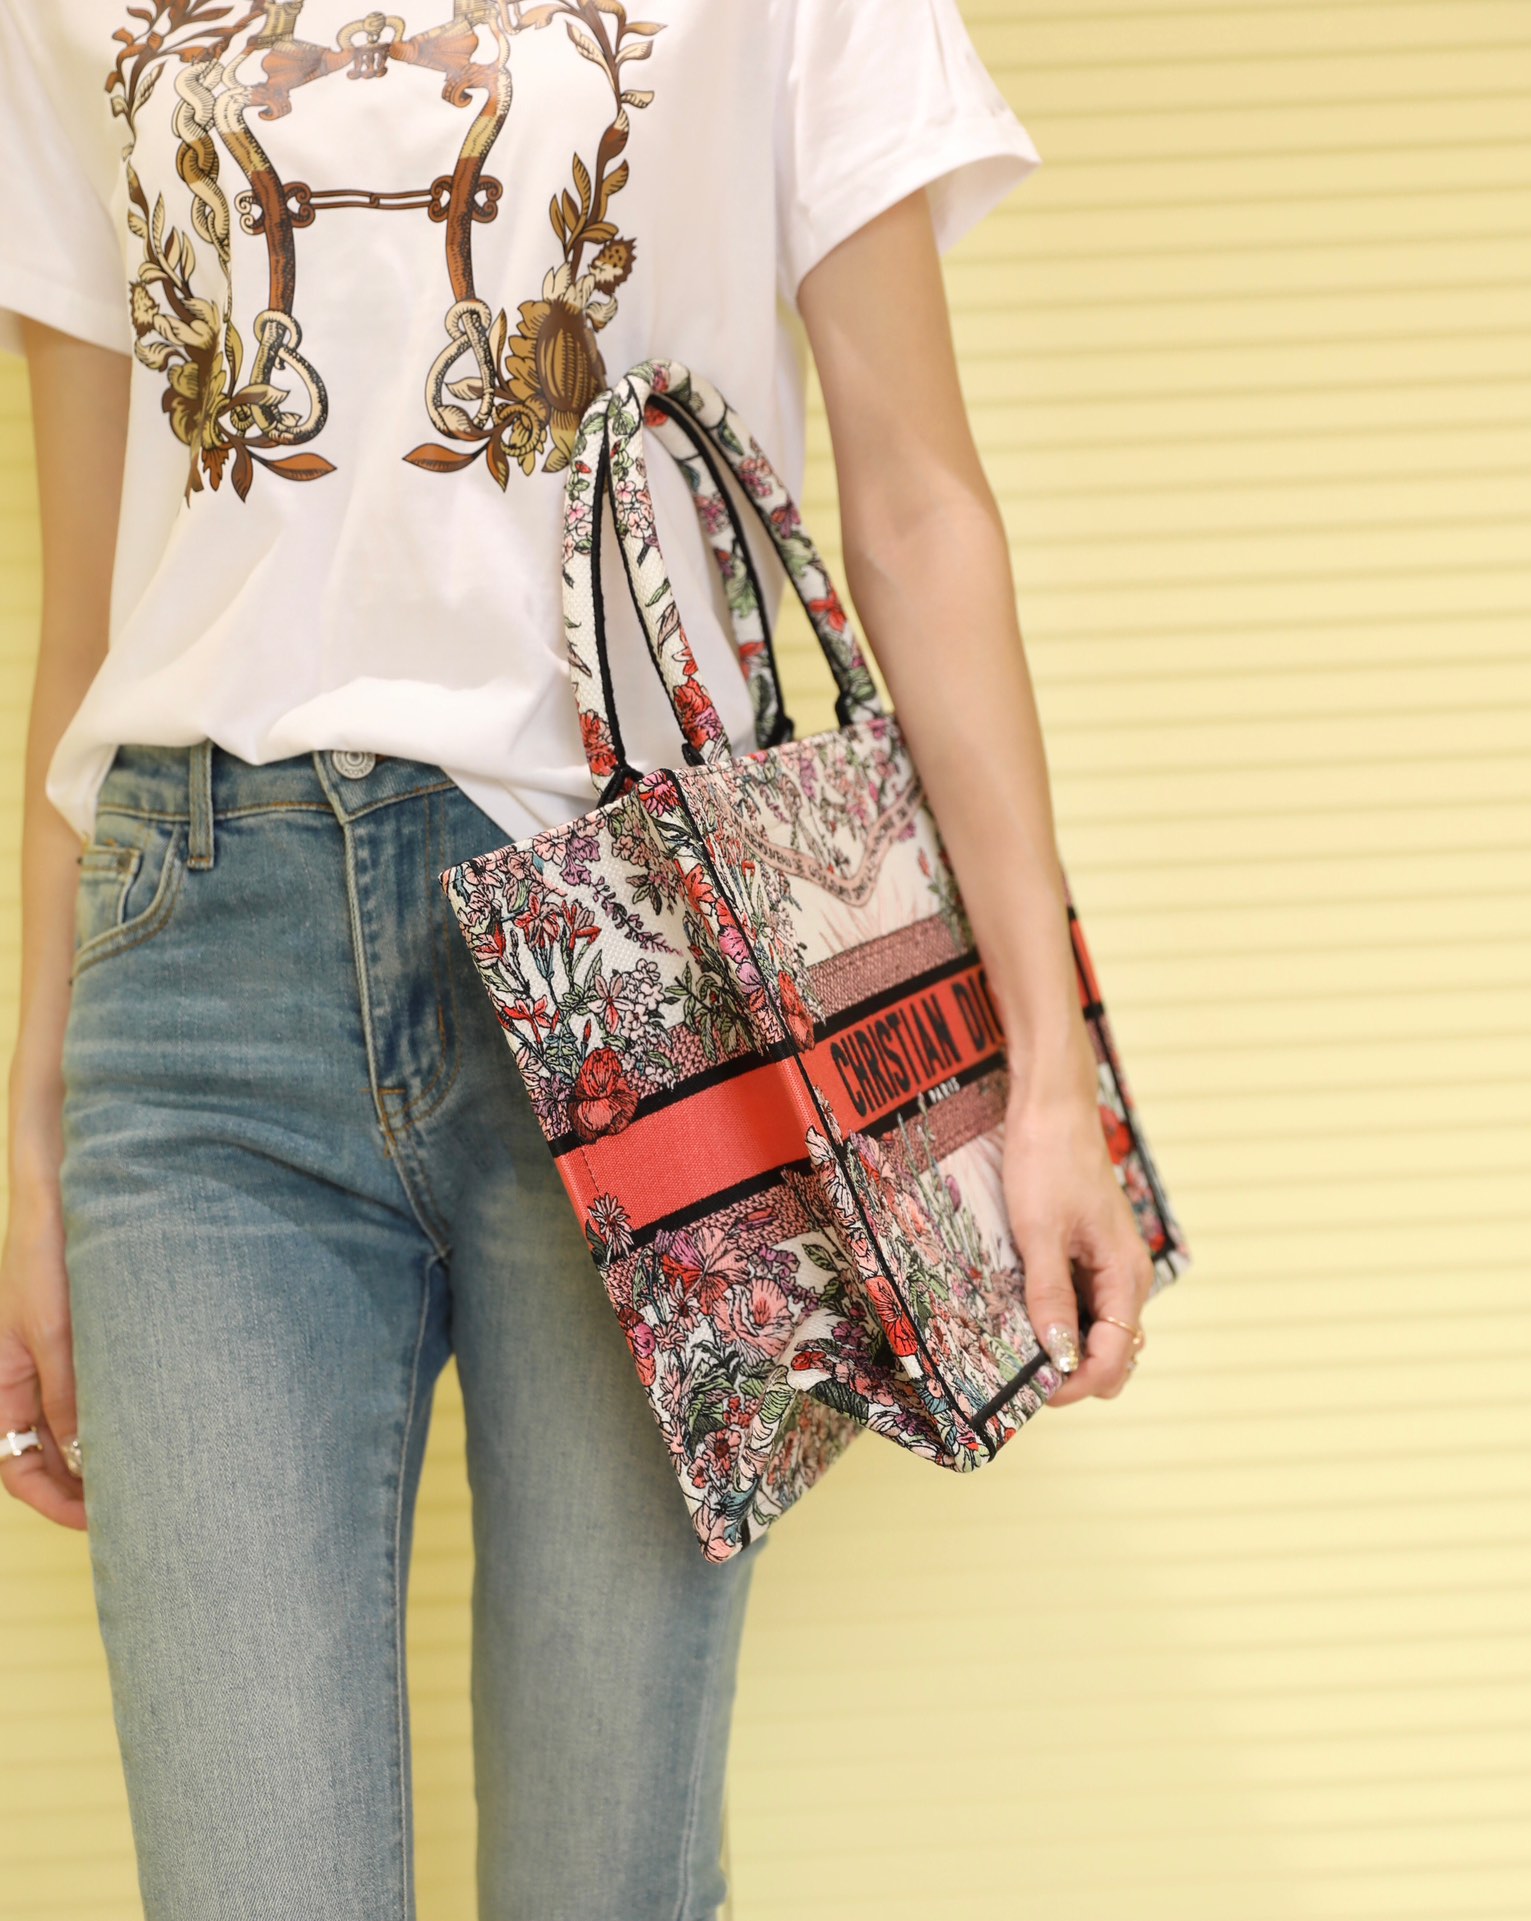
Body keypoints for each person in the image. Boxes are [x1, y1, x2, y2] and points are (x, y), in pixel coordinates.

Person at [0, 3, 1155, 1916]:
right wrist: (29, 1150)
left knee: (601, 1883)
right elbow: (80, 612)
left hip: (640, 960)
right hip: (195, 969)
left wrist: (1047, 1072)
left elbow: (915, 497)